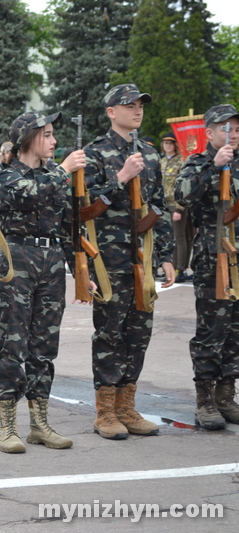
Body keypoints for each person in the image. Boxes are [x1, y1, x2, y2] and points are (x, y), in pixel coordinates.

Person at [0, 112, 95, 453]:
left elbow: (69, 225)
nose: (53, 141)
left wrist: (83, 272)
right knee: (12, 344)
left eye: (54, 134)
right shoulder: (7, 175)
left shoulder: (56, 174)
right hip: (18, 260)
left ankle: (39, 424)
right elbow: (28, 195)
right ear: (29, 138)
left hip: (51, 262)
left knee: (44, 346)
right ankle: (8, 426)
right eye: (47, 135)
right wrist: (65, 170)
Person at [84, 84, 175, 440]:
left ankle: (126, 405)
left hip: (142, 257)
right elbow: (86, 206)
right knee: (110, 333)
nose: (137, 110)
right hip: (108, 259)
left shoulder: (150, 155)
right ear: (111, 112)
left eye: (140, 105)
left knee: (139, 333)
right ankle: (105, 411)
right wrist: (120, 177)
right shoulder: (95, 153)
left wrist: (166, 255)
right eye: (129, 105)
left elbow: (159, 208)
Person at [174, 104, 239, 430]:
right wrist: (214, 167)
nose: (232, 134)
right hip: (213, 259)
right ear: (209, 133)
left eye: (236, 129)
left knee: (236, 332)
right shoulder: (197, 163)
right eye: (225, 128)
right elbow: (182, 196)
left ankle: (227, 395)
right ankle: (205, 399)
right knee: (212, 332)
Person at [160, 131, 191, 281]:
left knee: (180, 237)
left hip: (176, 204)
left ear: (175, 145)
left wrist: (179, 207)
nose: (167, 145)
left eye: (170, 143)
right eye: (165, 143)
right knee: (168, 237)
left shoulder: (181, 161)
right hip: (163, 204)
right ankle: (171, 267)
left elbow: (183, 186)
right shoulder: (162, 161)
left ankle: (181, 269)